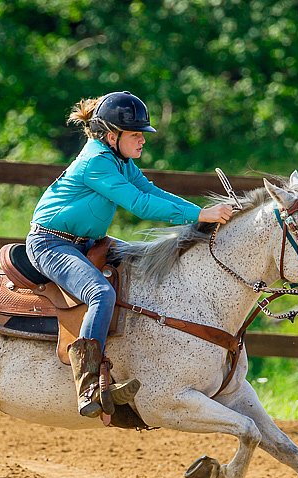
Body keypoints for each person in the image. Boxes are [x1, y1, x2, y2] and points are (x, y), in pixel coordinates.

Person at [26, 91, 235, 419]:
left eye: (142, 135)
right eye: (136, 135)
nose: (142, 141)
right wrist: (200, 216)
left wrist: (200, 211)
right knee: (100, 293)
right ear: (112, 136)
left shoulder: (119, 160)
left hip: (88, 243)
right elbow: (139, 204)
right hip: (52, 245)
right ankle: (89, 382)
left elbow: (150, 191)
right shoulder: (96, 162)